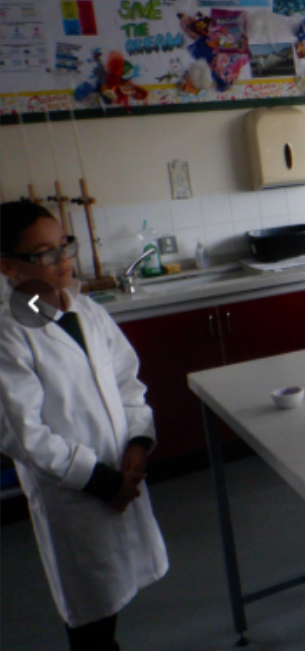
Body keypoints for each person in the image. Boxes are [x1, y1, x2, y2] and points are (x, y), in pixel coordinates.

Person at [0, 201, 168, 651]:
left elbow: (127, 382)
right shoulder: (9, 332)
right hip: (77, 490)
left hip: (120, 471)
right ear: (8, 266)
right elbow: (23, 434)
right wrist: (100, 480)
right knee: (90, 613)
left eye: (64, 245)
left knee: (114, 592)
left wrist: (138, 441)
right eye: (44, 253)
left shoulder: (87, 311)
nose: (63, 260)